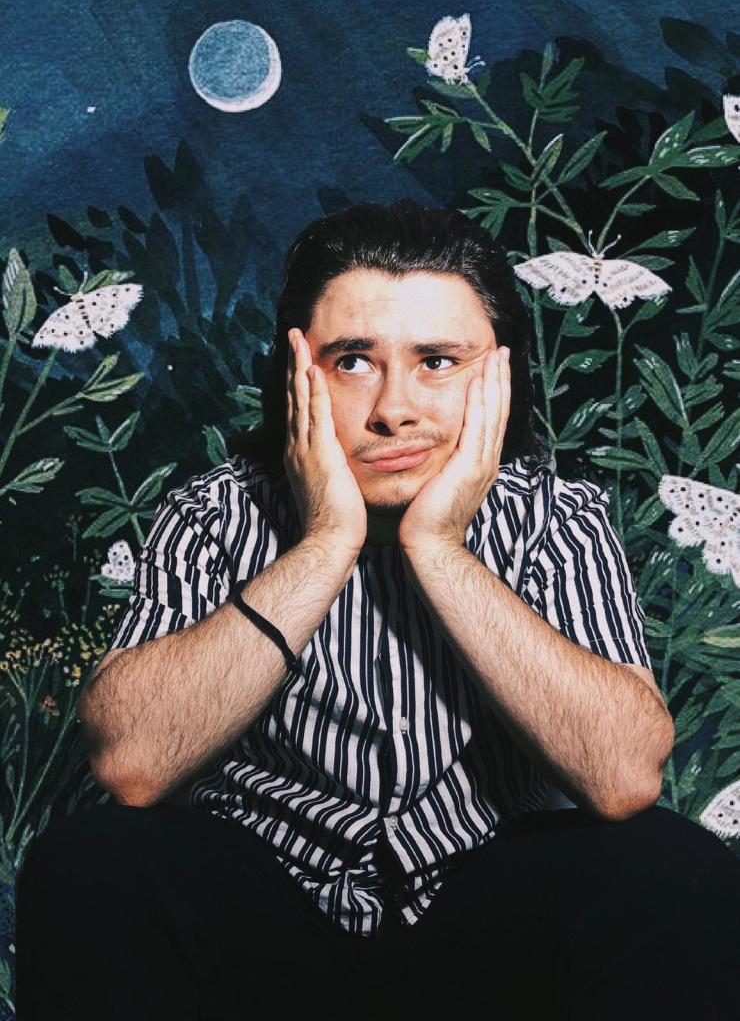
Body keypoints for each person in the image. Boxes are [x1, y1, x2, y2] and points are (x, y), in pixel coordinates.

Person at [14, 199, 740, 1020]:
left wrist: (440, 547)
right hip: (268, 921)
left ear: (498, 377)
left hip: (486, 924)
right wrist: (327, 540)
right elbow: (132, 765)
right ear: (299, 374)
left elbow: (623, 778)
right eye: (354, 361)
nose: (394, 408)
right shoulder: (212, 515)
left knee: (674, 867)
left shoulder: (557, 519)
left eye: (438, 361)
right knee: (92, 860)